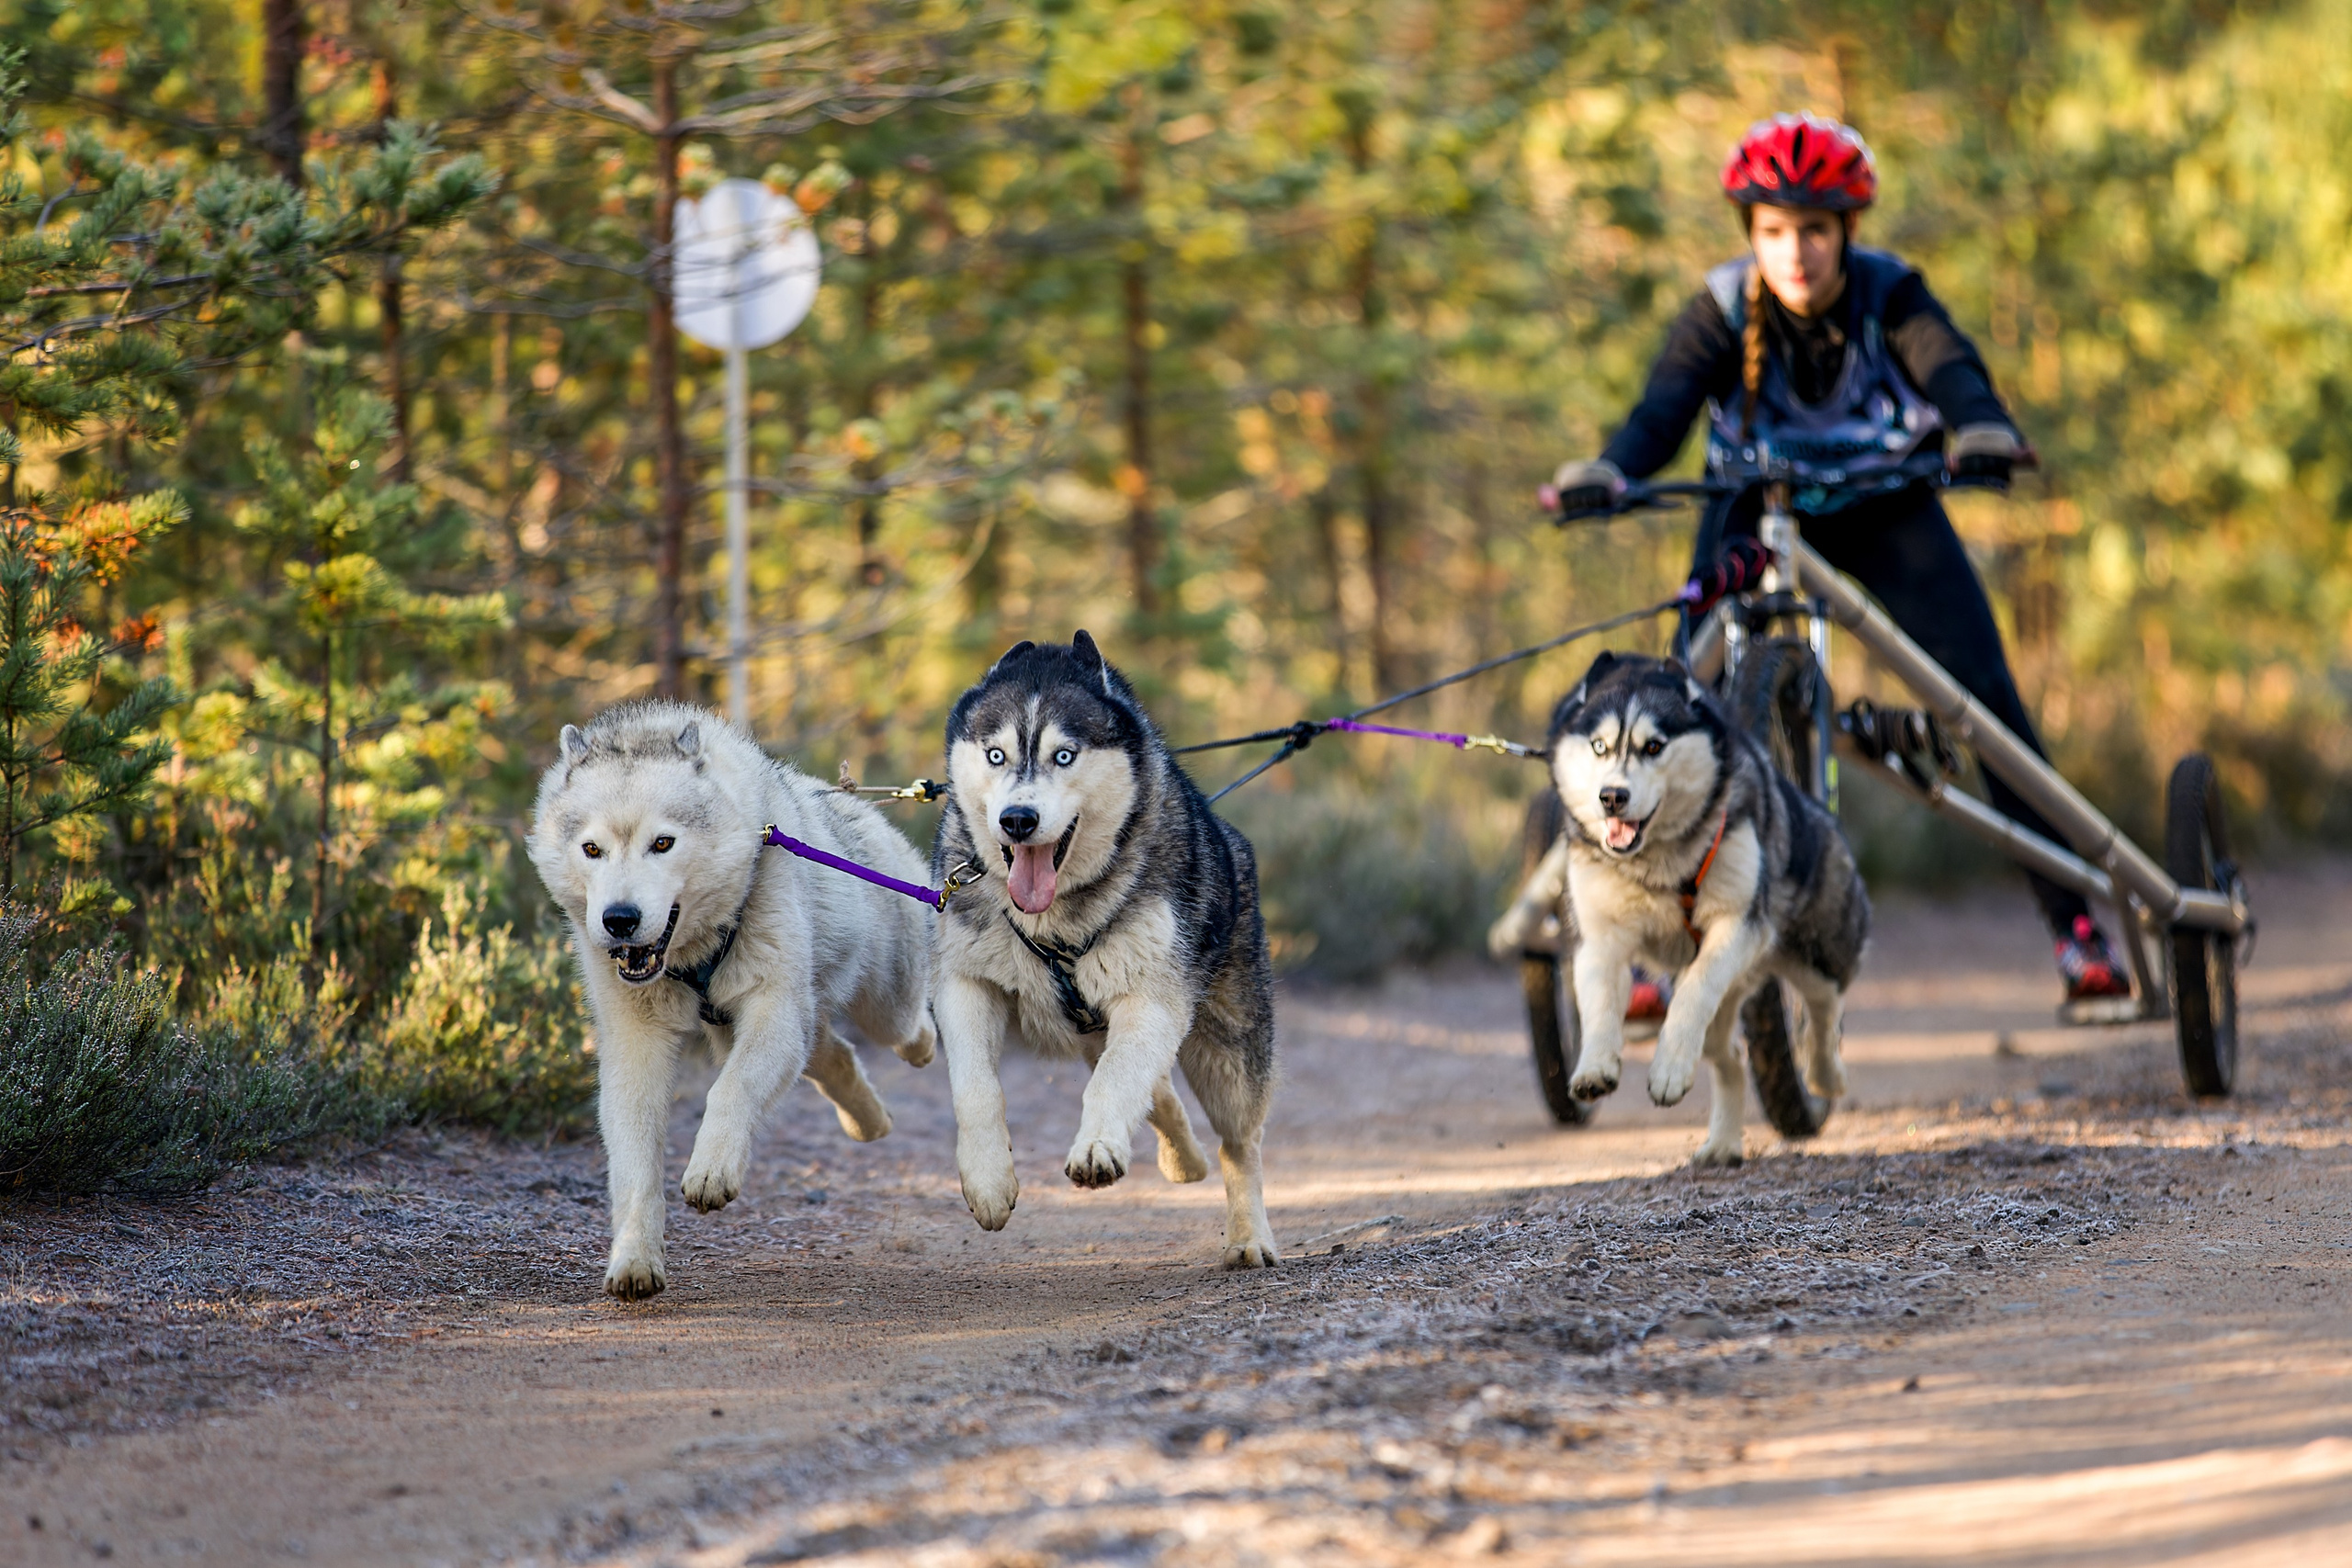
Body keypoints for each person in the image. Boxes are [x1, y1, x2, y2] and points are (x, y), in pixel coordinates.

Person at [1549, 112, 2132, 1016]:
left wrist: (1980, 429)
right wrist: (1609, 472)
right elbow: (1659, 413)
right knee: (1671, 706)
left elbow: (1952, 371)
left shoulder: (1889, 293)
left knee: (1985, 705)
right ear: (1750, 232)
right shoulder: (1720, 305)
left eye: (1814, 230)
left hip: (1884, 505)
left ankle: (2077, 931)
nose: (1795, 252)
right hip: (1751, 510)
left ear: (1845, 232)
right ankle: (1639, 949)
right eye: (1774, 231)